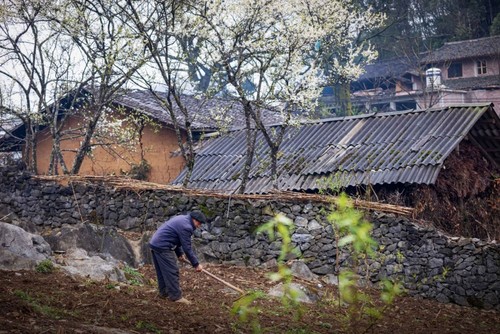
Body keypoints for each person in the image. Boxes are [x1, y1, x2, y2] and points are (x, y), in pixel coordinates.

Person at [149, 210, 207, 304]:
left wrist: (179, 253)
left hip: (155, 243)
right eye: (199, 223)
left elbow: (175, 238)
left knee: (162, 271)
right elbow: (187, 248)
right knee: (172, 270)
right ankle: (176, 297)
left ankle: (163, 293)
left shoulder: (182, 219)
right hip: (162, 246)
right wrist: (196, 264)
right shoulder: (186, 227)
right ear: (194, 219)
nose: (199, 226)